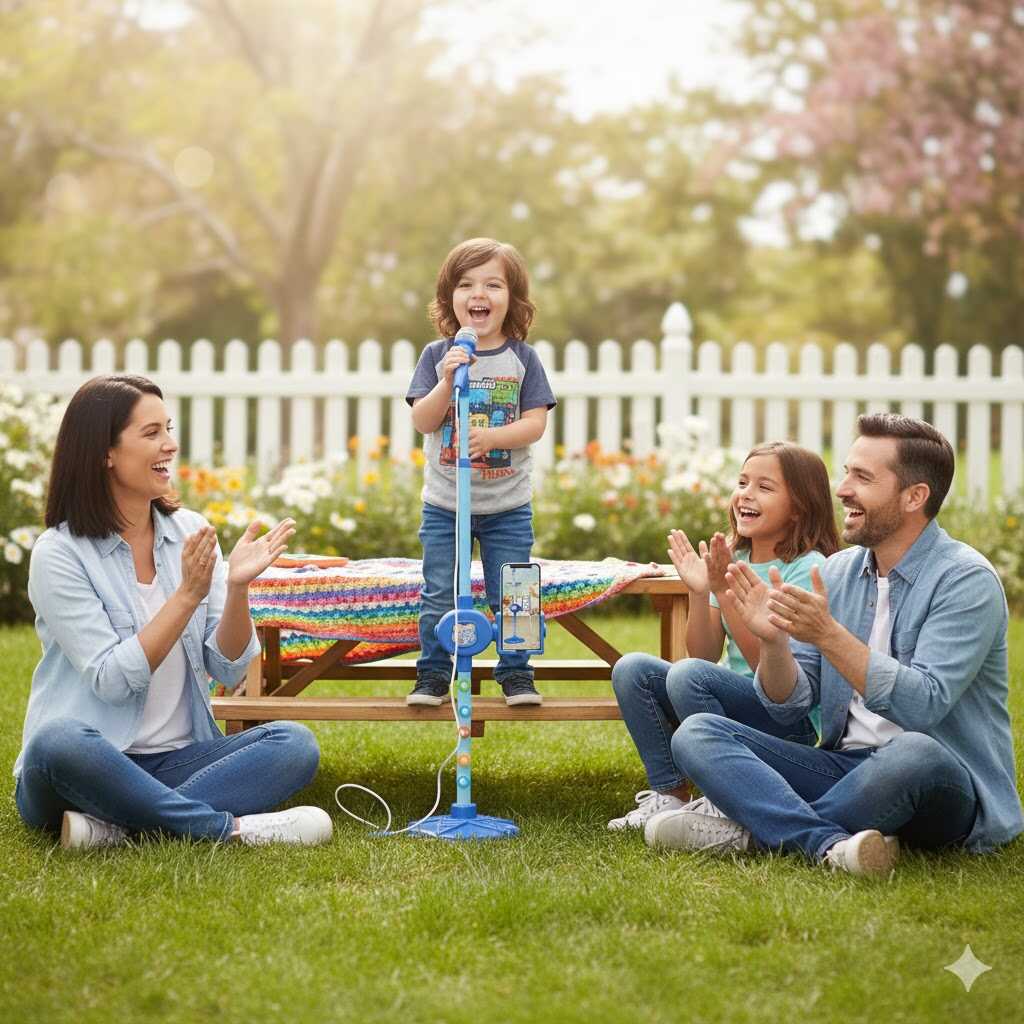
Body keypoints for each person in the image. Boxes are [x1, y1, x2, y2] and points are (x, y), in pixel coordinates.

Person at [644, 414, 1023, 875]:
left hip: (941, 780)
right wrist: (776, 644)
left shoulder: (965, 580)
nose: (842, 489)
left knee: (914, 753)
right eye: (846, 472)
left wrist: (827, 633)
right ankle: (827, 843)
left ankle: (750, 832)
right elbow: (790, 705)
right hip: (844, 766)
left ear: (914, 497)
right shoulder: (841, 572)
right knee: (699, 733)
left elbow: (921, 706)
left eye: (862, 477)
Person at [14, 374, 333, 850]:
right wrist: (185, 596)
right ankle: (228, 830)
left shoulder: (190, 530)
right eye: (151, 434)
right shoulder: (59, 552)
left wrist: (239, 588)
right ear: (105, 452)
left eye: (168, 428)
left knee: (293, 744)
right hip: (91, 760)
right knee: (57, 741)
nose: (171, 444)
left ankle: (114, 830)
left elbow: (226, 665)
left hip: (176, 758)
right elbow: (112, 680)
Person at [609, 442, 840, 830]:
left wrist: (725, 591)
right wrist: (701, 591)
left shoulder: (806, 569)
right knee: (632, 669)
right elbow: (704, 649)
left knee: (689, 675)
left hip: (790, 720)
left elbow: (776, 684)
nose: (746, 494)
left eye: (765, 487)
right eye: (743, 482)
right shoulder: (736, 559)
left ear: (799, 506)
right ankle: (670, 794)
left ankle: (724, 796)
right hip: (741, 698)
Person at [404, 238, 555, 707]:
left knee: (515, 590)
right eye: (467, 284)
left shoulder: (522, 359)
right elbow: (423, 421)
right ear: (450, 296)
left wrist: (493, 438)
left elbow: (535, 423)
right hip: (446, 504)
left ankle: (516, 673)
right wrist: (448, 381)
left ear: (512, 299)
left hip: (506, 506)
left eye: (493, 284)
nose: (479, 294)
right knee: (439, 591)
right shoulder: (436, 356)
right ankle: (432, 673)